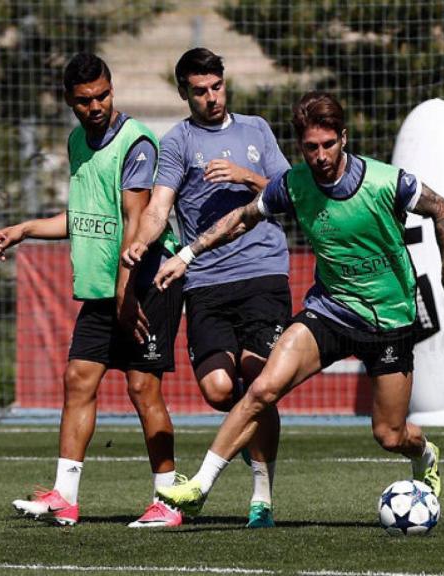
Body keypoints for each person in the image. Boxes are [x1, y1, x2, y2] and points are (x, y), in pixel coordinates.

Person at [151, 91, 444, 517]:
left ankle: (426, 455)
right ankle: (200, 486)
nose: (319, 156)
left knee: (390, 436)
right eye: (309, 148)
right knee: (263, 388)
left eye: (328, 145)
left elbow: (443, 209)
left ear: (344, 137)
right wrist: (187, 255)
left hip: (389, 319)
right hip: (330, 311)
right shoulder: (293, 185)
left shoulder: (385, 181)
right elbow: (242, 218)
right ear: (299, 147)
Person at [0, 53, 185, 528]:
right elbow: (83, 218)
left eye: (102, 95)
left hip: (147, 281)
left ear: (112, 89)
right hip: (105, 286)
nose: (96, 105)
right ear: (70, 102)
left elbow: (136, 223)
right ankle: (65, 497)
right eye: (84, 100)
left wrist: (126, 295)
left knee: (142, 388)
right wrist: (27, 228)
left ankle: (169, 501)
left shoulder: (137, 141)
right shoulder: (78, 140)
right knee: (78, 379)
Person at [122, 48, 291, 529]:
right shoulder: (176, 143)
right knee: (220, 390)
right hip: (208, 279)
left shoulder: (256, 129)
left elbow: (289, 191)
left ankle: (262, 495)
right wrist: (141, 242)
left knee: (260, 381)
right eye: (200, 91)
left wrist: (246, 177)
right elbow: (159, 208)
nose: (212, 97)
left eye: (217, 87)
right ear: (184, 93)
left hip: (262, 271)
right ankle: (246, 430)